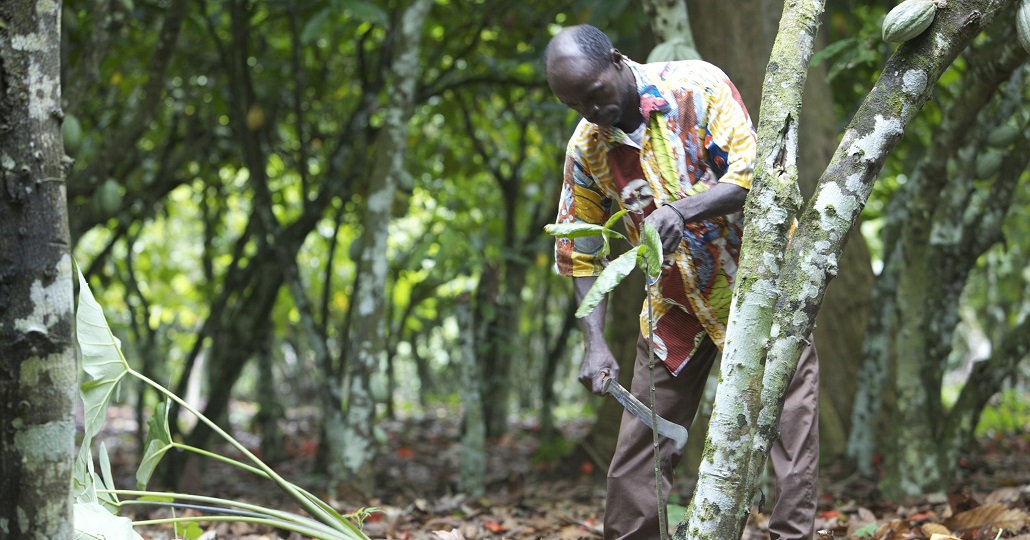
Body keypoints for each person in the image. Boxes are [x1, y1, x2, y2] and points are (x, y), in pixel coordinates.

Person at [544, 24, 820, 540]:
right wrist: (594, 343)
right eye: (574, 104)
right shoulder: (586, 149)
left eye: (594, 93)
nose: (589, 110)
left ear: (617, 61)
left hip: (759, 291)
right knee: (639, 448)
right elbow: (580, 254)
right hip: (675, 308)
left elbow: (754, 174)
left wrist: (680, 210)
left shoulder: (697, 86)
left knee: (790, 430)